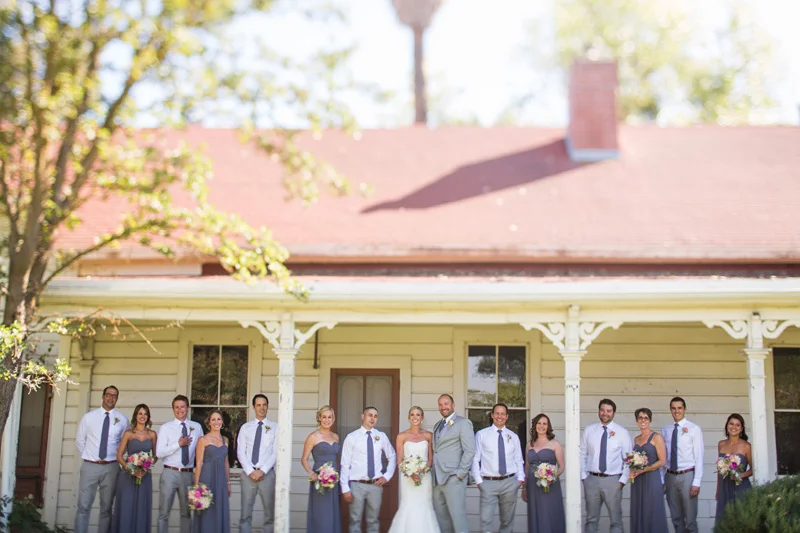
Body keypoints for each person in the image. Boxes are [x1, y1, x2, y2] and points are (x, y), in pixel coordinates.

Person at [74, 385, 129, 533]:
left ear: (117, 398)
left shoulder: (122, 420)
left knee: (106, 508)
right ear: (103, 396)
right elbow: (80, 441)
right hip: (90, 466)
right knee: (83, 506)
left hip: (111, 467)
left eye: (114, 396)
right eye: (108, 395)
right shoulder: (89, 417)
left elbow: (125, 444)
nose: (111, 398)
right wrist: (90, 457)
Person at [340, 406, 397, 533]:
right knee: (354, 520)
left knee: (373, 520)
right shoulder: (352, 437)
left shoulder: (381, 436)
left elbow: (392, 456)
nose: (372, 418)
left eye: (375, 416)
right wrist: (345, 488)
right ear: (363, 416)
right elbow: (345, 464)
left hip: (375, 485)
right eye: (370, 415)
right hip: (356, 485)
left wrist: (386, 476)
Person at [580, 398, 632, 533]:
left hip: (613, 480)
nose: (605, 413)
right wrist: (584, 477)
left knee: (616, 520)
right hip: (592, 479)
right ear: (598, 411)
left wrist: (622, 481)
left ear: (613, 413)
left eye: (608, 411)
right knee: (591, 519)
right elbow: (582, 454)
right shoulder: (589, 430)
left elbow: (628, 459)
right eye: (602, 410)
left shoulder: (622, 433)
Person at [471, 403, 524, 533]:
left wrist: (520, 479)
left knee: (507, 522)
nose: (499, 416)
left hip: (509, 483)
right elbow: (475, 458)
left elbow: (518, 459)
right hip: (488, 483)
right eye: (497, 413)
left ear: (507, 417)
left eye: (502, 414)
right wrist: (478, 480)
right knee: (485, 521)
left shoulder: (514, 437)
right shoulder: (481, 435)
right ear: (492, 415)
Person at [388, 406, 440, 533]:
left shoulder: (428, 436)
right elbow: (400, 461)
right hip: (407, 478)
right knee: (408, 504)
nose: (415, 417)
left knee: (424, 505)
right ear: (408, 417)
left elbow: (430, 459)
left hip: (425, 477)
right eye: (412, 415)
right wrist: (410, 473)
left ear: (422, 418)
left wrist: (422, 472)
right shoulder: (401, 436)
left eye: (418, 415)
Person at [157, 395, 203, 533]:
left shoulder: (196, 427)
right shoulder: (166, 428)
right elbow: (159, 453)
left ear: (187, 408)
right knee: (163, 513)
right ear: (173, 409)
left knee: (187, 513)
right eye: (176, 407)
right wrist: (178, 444)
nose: (180, 410)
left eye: (182, 406)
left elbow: (201, 451)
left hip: (188, 474)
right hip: (170, 473)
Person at [432, 393, 475, 533]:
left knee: (458, 519)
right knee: (442, 519)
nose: (443, 407)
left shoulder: (463, 423)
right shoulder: (437, 425)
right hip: (437, 479)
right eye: (440, 404)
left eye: (446, 404)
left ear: (453, 405)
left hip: (453, 478)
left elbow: (470, 451)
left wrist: (460, 474)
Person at [112, 404, 158, 533]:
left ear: (148, 417)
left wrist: (145, 466)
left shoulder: (152, 434)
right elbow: (119, 456)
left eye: (145, 414)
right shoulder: (128, 434)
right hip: (127, 476)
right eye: (140, 413)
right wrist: (131, 469)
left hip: (144, 476)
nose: (142, 416)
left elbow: (155, 456)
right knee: (126, 507)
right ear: (135, 416)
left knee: (142, 508)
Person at [662, 397, 704, 533]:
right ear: (670, 410)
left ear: (685, 409)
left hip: (687, 475)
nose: (676, 411)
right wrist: (663, 479)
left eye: (679, 408)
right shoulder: (666, 429)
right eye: (673, 408)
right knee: (676, 517)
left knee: (690, 519)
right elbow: (665, 456)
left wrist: (696, 482)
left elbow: (699, 456)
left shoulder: (694, 429)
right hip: (670, 476)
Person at [237, 394, 277, 533]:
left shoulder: (275, 427)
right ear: (254, 407)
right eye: (259, 405)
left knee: (269, 514)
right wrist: (250, 471)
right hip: (248, 475)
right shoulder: (245, 427)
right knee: (245, 514)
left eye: (264, 404)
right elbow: (241, 452)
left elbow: (276, 452)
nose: (262, 408)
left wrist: (262, 470)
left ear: (268, 406)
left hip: (267, 475)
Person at [301, 405, 342, 533]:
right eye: (324, 417)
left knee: (332, 512)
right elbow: (304, 459)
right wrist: (312, 473)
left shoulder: (336, 437)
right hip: (320, 479)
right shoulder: (313, 437)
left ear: (333, 419)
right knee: (321, 513)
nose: (327, 420)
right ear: (319, 418)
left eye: (329, 417)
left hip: (333, 479)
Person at [523, 413, 565, 533]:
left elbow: (561, 466)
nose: (541, 426)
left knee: (548, 514)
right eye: (539, 423)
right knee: (535, 514)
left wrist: (550, 477)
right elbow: (527, 467)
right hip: (532, 486)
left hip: (549, 486)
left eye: (544, 424)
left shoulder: (554, 444)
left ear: (548, 426)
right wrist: (524, 487)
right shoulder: (529, 445)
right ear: (535, 425)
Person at [629, 408, 668, 533]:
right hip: (638, 480)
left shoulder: (656, 437)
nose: (643, 420)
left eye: (646, 418)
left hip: (652, 478)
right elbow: (634, 459)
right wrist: (632, 468)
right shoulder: (636, 439)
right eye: (640, 418)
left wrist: (644, 469)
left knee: (652, 510)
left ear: (650, 420)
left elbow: (662, 461)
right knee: (639, 509)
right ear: (636, 421)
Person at [193, 409, 231, 533]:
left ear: (222, 422)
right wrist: (197, 486)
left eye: (218, 419)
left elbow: (226, 462)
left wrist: (228, 482)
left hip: (221, 481)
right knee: (207, 511)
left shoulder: (226, 440)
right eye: (213, 419)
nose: (216, 422)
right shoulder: (203, 440)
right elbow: (199, 463)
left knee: (220, 508)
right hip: (207, 479)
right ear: (209, 422)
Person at [715, 413, 753, 527]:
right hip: (724, 486)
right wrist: (718, 489)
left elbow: (754, 469)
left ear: (741, 429)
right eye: (731, 424)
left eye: (737, 425)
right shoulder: (721, 444)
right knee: (724, 520)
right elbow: (719, 469)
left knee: (740, 520)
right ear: (727, 426)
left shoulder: (746, 446)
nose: (734, 427)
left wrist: (741, 475)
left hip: (740, 486)